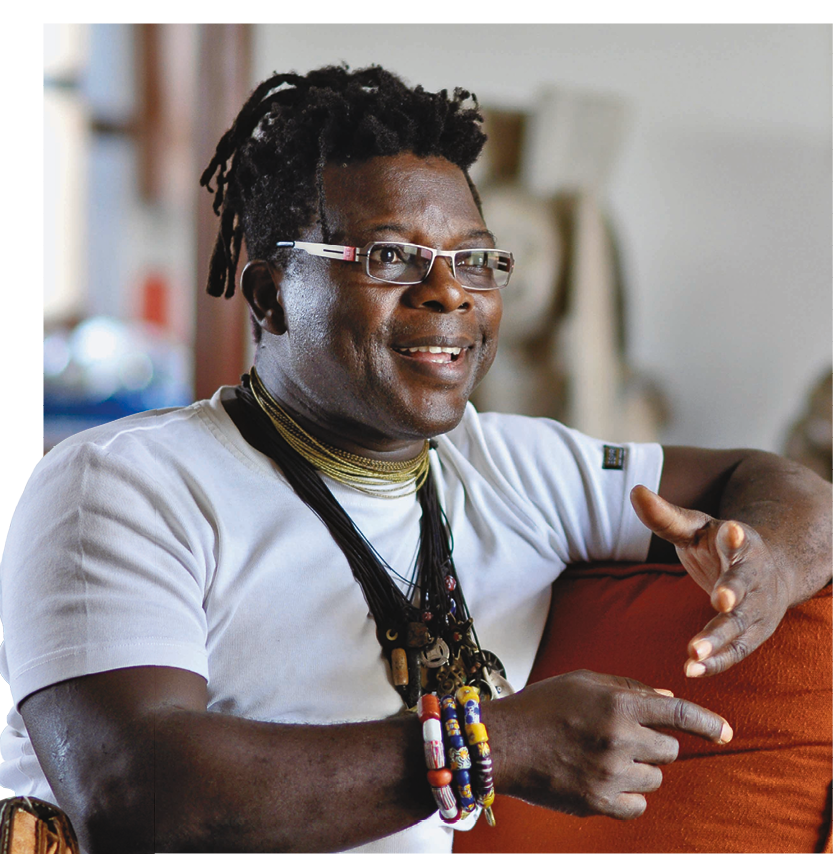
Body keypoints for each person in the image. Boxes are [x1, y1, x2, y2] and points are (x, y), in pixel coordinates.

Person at [2, 65, 832, 854]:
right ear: (269, 296)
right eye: (390, 257)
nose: (450, 293)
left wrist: (769, 563)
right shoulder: (122, 484)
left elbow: (765, 480)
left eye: (475, 258)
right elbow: (132, 798)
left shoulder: (515, 467)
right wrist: (493, 745)